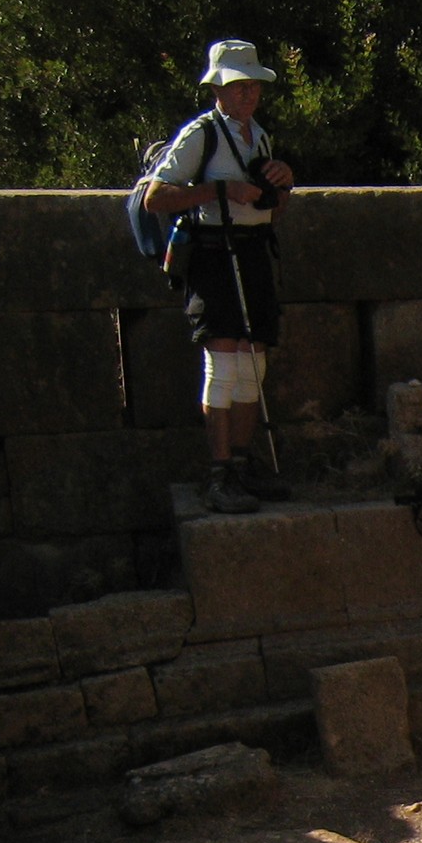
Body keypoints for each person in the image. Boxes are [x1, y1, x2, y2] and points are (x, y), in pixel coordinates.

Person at [143, 40, 294, 517]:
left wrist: (282, 182)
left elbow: (272, 211)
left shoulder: (261, 138)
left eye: (252, 85)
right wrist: (219, 190)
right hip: (212, 253)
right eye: (237, 85)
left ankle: (242, 466)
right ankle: (220, 472)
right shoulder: (200, 135)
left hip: (250, 253)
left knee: (253, 368)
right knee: (224, 366)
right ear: (218, 89)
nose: (247, 94)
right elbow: (156, 197)